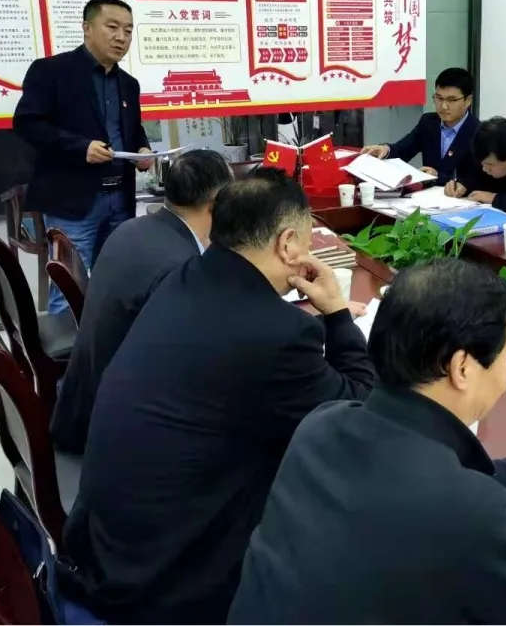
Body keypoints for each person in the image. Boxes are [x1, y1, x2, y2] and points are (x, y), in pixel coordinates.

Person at [228, 258, 506, 624]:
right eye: (505, 356)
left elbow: (414, 494)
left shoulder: (322, 427)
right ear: (462, 368)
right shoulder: (472, 515)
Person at [58, 169, 377, 623]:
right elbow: (360, 416)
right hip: (166, 583)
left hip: (108, 545)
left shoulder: (185, 276)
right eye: (306, 241)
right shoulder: (277, 334)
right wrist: (338, 315)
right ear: (288, 244)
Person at [49, 149, 232, 454]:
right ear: (218, 204)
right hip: (115, 438)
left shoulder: (133, 230)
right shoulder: (180, 269)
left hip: (85, 404)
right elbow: (197, 371)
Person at [13, 0, 154, 313]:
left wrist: (142, 149)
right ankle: (68, 344)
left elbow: (132, 129)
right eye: (112, 27)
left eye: (128, 30)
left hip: (120, 198)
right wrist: (80, 148)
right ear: (87, 28)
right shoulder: (51, 71)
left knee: (116, 281)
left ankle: (108, 339)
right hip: (73, 201)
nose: (121, 37)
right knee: (69, 286)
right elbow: (27, 124)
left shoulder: (128, 84)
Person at [360, 67, 476, 185]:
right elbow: (402, 150)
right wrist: (385, 150)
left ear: (468, 100)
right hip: (425, 194)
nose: (444, 106)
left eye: (451, 100)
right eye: (439, 98)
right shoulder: (428, 122)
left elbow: (477, 180)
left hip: (460, 196)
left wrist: (438, 177)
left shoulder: (478, 132)